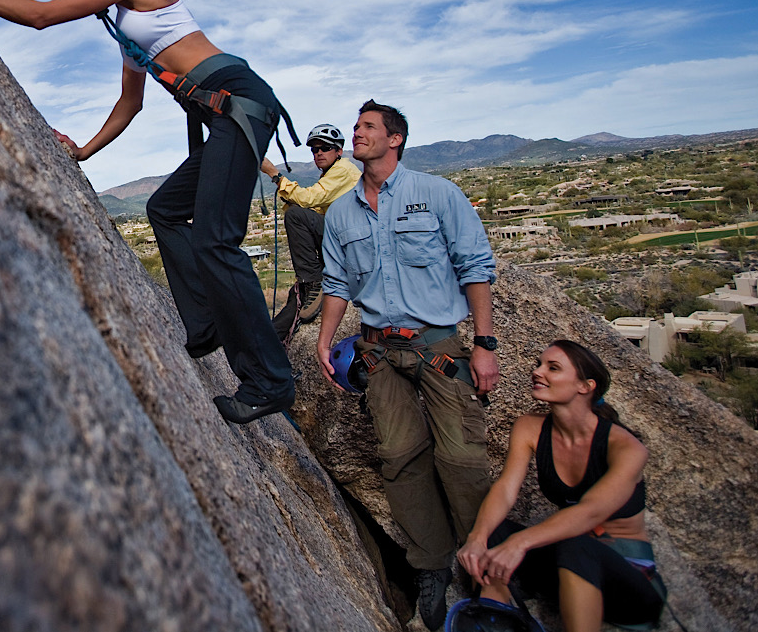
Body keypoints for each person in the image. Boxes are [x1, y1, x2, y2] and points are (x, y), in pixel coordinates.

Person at [0, 0, 295, 424]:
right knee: (166, 210)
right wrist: (84, 150)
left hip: (237, 102)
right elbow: (131, 103)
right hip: (228, 112)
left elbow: (42, 17)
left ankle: (269, 380)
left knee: (217, 239)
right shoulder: (129, 24)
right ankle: (206, 324)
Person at [315, 100, 500, 632]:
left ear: (395, 139)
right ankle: (431, 567)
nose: (356, 134)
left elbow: (474, 265)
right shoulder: (344, 212)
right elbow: (336, 284)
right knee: (399, 459)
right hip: (379, 353)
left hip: (437, 344)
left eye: (367, 127)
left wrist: (484, 343)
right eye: (355, 128)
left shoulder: (436, 194)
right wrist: (325, 344)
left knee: (462, 459)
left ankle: (482, 562)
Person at [457, 340, 665, 632]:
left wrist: (522, 542)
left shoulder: (626, 448)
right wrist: (478, 538)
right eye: (539, 364)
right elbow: (505, 489)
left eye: (552, 368)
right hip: (566, 567)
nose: (537, 372)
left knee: (576, 545)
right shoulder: (530, 427)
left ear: (585, 386)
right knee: (493, 531)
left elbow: (590, 512)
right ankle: (500, 618)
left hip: (628, 584)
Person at [260, 123, 360, 338]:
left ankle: (314, 281)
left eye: (324, 148)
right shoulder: (332, 173)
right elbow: (310, 206)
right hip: (341, 244)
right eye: (315, 150)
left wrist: (275, 175)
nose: (319, 153)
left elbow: (308, 199)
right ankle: (270, 339)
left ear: (339, 151)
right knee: (297, 297)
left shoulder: (343, 170)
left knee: (296, 215)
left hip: (348, 245)